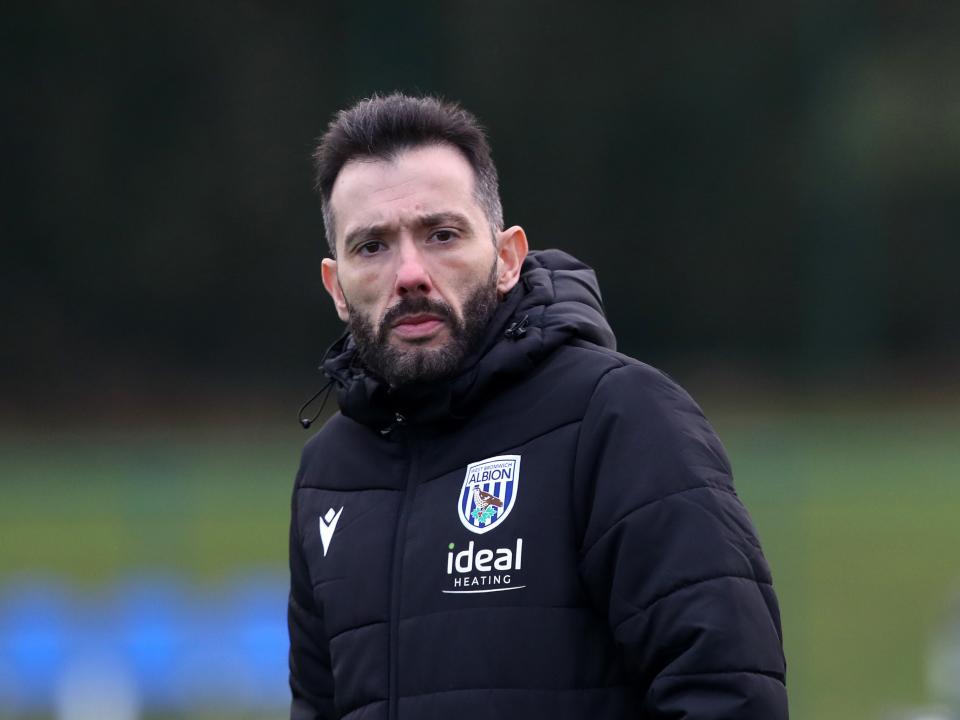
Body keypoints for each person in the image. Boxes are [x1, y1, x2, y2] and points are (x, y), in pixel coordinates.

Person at [288, 93, 788, 720]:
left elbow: (727, 695)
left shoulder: (619, 417)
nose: (410, 272)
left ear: (506, 259)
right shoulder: (328, 473)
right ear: (337, 287)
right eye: (373, 247)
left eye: (441, 234)